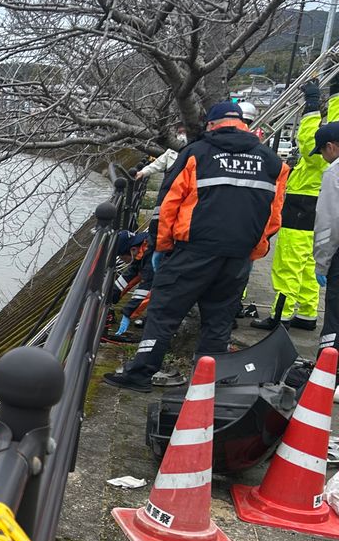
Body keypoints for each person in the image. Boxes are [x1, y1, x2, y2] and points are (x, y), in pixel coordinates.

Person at [103, 101, 288, 393]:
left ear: (212, 125)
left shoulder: (196, 154)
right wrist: (252, 250)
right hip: (237, 256)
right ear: (243, 124)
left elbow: (169, 206)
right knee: (218, 320)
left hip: (192, 250)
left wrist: (162, 248)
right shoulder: (273, 162)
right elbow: (274, 216)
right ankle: (206, 385)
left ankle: (140, 374)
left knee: (163, 313)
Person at [253, 76, 339, 331]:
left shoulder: (321, 159)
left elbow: (309, 139)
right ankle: (308, 313)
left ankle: (281, 315)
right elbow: (334, 125)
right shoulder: (333, 159)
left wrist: (311, 105)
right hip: (315, 211)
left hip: (299, 209)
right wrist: (335, 95)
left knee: (288, 264)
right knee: (309, 265)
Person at [311, 122, 339, 349]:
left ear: (330, 147)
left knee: (335, 320)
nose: (323, 157)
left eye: (321, 151)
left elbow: (328, 223)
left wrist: (322, 264)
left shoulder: (335, 171)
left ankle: (328, 372)